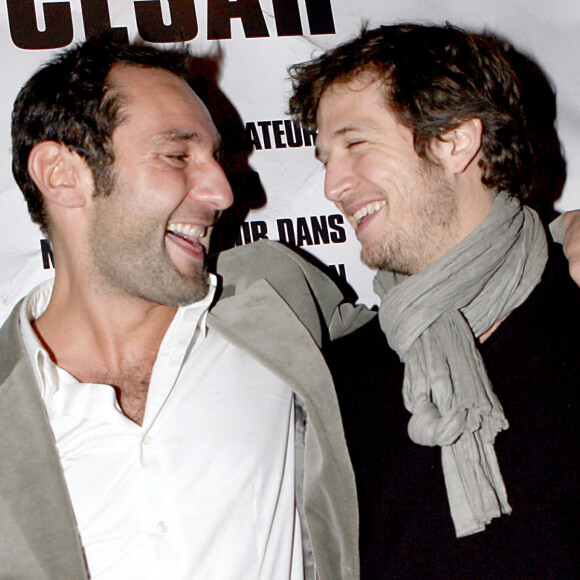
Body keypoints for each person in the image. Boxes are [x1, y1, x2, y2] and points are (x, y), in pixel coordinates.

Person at [0, 36, 374, 579]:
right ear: (63, 175)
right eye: (177, 155)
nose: (222, 191)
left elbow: (444, 318)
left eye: (215, 157)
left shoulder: (275, 299)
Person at [289, 24, 579, 578]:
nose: (332, 185)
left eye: (356, 144)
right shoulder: (345, 378)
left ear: (454, 141)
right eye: (326, 157)